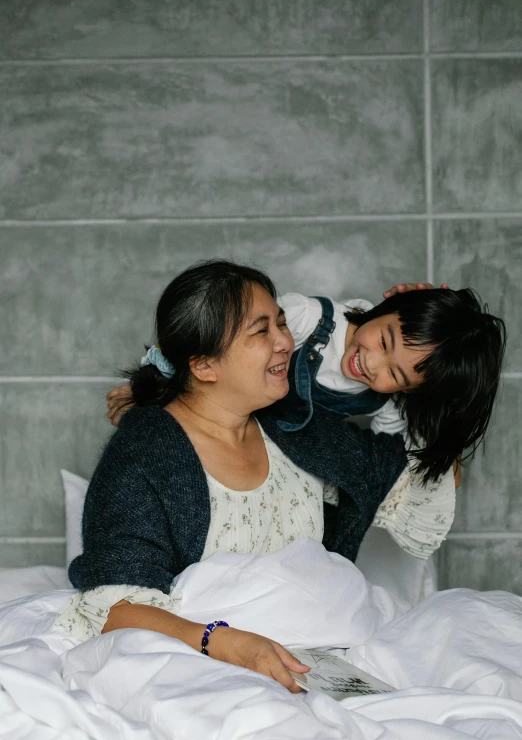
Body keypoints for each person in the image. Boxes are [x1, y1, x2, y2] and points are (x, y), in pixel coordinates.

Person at [54, 260, 456, 693]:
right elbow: (113, 607)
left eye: (282, 323)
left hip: (312, 664)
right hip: (205, 662)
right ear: (205, 365)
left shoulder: (296, 426)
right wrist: (225, 643)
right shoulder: (145, 453)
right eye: (262, 331)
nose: (285, 342)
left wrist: (434, 344)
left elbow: (419, 477)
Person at [276, 283, 506, 484]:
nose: (372, 364)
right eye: (385, 342)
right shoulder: (308, 317)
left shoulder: (386, 405)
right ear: (389, 308)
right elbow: (243, 341)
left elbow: (385, 459)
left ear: (408, 389)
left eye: (394, 374)